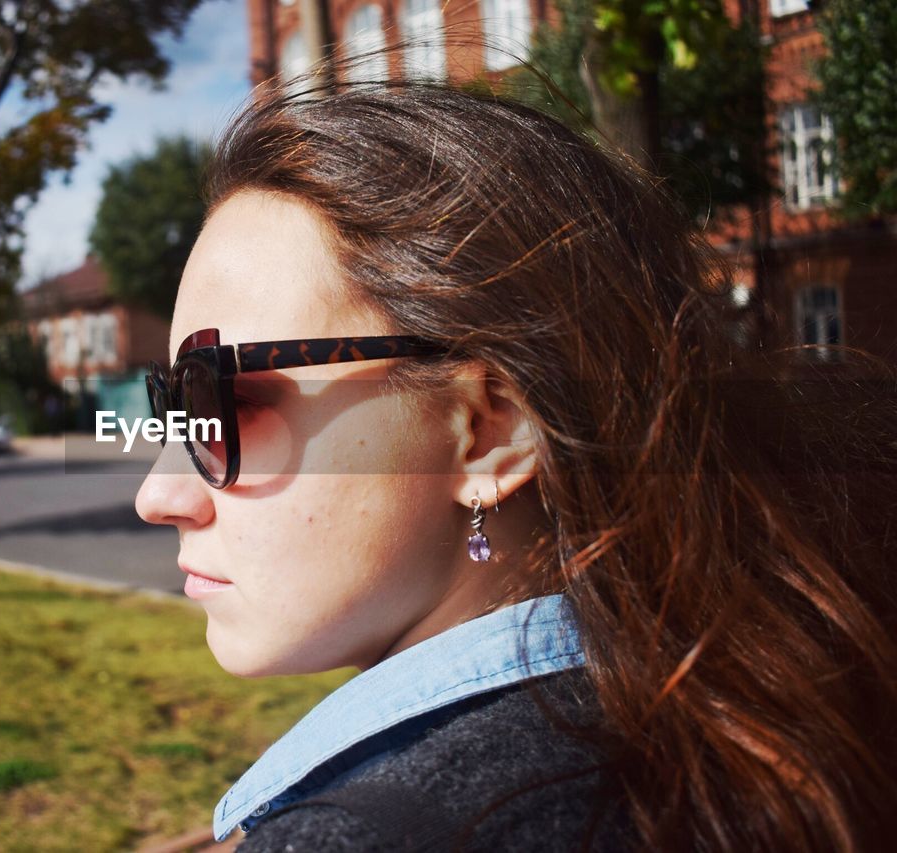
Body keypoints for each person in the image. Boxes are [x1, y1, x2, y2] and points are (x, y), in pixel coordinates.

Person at [134, 79, 897, 852]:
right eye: (172, 402)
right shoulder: (765, 717)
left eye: (219, 398)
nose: (158, 492)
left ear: (489, 428)